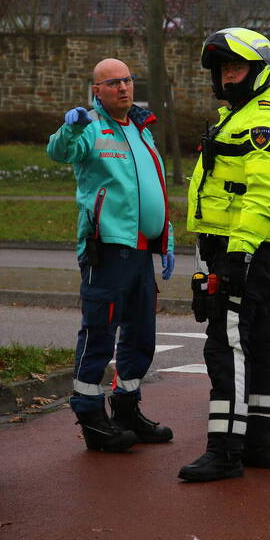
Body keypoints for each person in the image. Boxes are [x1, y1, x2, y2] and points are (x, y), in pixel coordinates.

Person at [178, 28, 270, 482]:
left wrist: (236, 255)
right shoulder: (244, 114)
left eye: (236, 68)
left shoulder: (259, 121)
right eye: (223, 70)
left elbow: (260, 195)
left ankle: (226, 451)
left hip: (244, 248)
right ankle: (260, 442)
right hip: (248, 248)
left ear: (259, 71)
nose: (228, 77)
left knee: (227, 344)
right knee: (261, 338)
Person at [47, 58, 176, 452]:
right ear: (97, 91)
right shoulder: (90, 127)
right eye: (113, 83)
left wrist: (167, 239)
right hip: (107, 250)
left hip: (141, 251)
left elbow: (155, 187)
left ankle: (125, 408)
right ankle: (90, 414)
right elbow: (60, 151)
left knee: (140, 335)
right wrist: (71, 127)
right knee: (100, 332)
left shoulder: (140, 128)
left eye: (127, 80)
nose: (123, 88)